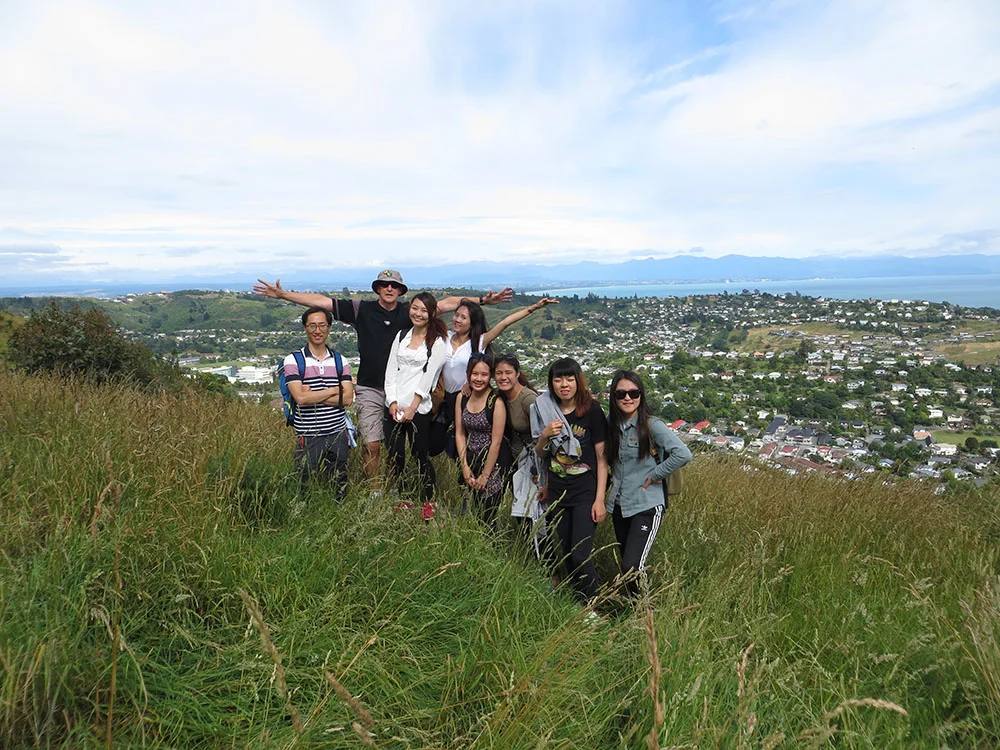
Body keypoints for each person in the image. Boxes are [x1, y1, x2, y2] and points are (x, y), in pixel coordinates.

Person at [254, 271, 513, 494]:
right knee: (374, 445)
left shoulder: (410, 312)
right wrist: (284, 294)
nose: (389, 289)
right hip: (369, 386)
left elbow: (446, 304)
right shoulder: (362, 309)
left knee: (403, 448)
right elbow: (322, 302)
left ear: (401, 291)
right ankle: (377, 492)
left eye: (395, 286)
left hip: (404, 393)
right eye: (384, 285)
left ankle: (407, 491)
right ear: (378, 288)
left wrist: (483, 300)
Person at [605, 370, 692, 599]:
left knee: (632, 565)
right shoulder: (611, 425)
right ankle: (634, 609)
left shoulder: (652, 425)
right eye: (621, 393)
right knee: (627, 566)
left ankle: (645, 614)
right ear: (613, 397)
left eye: (633, 393)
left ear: (641, 396)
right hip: (620, 504)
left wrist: (655, 474)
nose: (627, 398)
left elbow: (682, 454)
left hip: (647, 504)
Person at [436, 297, 558, 455]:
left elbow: (506, 322)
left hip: (468, 398)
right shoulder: (444, 337)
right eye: (456, 315)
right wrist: (482, 299)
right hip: (444, 400)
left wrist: (534, 307)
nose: (457, 319)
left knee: (468, 442)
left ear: (472, 322)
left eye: (463, 317)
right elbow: (434, 310)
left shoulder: (479, 341)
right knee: (437, 444)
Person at [530, 357, 608, 605]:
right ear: (551, 383)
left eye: (569, 378)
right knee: (566, 553)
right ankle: (578, 605)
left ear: (578, 380)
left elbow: (602, 458)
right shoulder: (545, 409)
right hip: (557, 493)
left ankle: (593, 607)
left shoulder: (592, 410)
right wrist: (544, 436)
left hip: (585, 492)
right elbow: (541, 453)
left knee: (580, 554)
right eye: (558, 379)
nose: (564, 384)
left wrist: (600, 500)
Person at [383, 292, 448, 518]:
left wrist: (413, 407)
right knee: (395, 454)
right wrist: (391, 402)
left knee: (420, 454)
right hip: (394, 406)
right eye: (415, 308)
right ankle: (402, 497)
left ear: (431, 314)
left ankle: (429, 500)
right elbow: (391, 370)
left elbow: (429, 377)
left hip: (419, 409)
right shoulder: (401, 335)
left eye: (424, 310)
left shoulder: (437, 342)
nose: (418, 314)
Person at [282, 307, 355, 500]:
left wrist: (313, 393)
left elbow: (347, 399)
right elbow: (301, 398)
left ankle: (339, 516)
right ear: (305, 327)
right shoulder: (293, 360)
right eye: (312, 325)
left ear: (329, 328)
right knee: (303, 484)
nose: (317, 330)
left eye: (322, 325)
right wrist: (333, 390)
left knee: (339, 484)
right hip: (309, 434)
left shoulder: (340, 361)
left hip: (337, 432)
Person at [454, 354, 509, 533]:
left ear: (490, 376)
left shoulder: (495, 402)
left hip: (492, 466)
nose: (479, 379)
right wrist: (464, 466)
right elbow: (460, 433)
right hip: (470, 460)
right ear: (468, 374)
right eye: (475, 374)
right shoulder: (462, 398)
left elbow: (496, 442)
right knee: (466, 514)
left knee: (486, 518)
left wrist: (485, 475)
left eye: (484, 375)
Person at [494, 354, 543, 548]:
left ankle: (548, 566)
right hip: (518, 463)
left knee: (531, 514)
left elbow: (545, 432)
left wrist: (541, 470)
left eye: (508, 372)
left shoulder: (527, 399)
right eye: (499, 373)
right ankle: (531, 557)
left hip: (533, 464)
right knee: (521, 513)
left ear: (517, 374)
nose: (503, 377)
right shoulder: (502, 397)